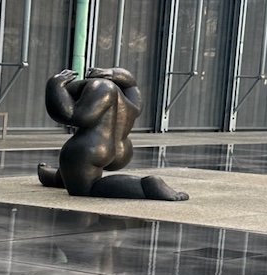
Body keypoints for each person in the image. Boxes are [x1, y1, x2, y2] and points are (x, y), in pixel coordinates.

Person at [36, 67, 188, 201]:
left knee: (86, 187)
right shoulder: (129, 102)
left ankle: (144, 186)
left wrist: (54, 85)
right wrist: (112, 73)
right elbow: (131, 84)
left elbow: (71, 115)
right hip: (122, 150)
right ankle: (56, 178)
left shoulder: (102, 89)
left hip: (91, 149)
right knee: (77, 171)